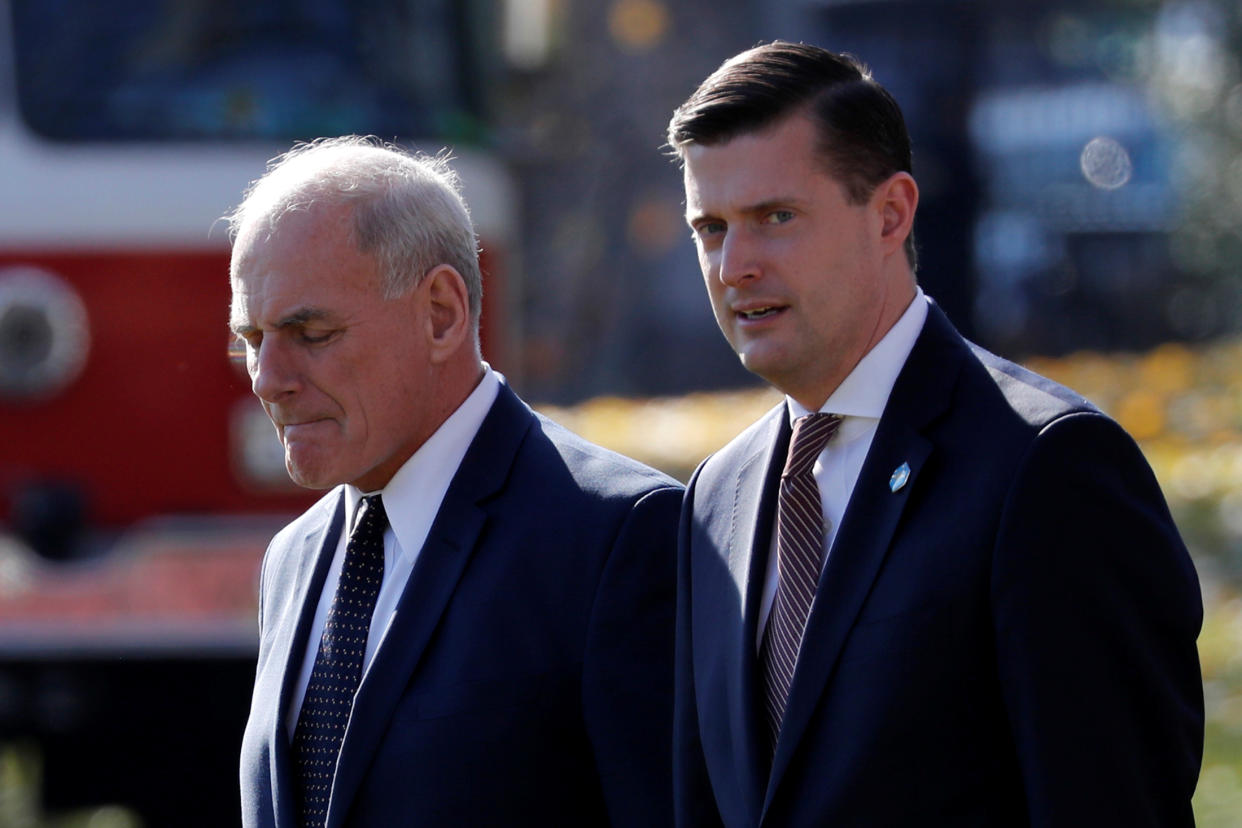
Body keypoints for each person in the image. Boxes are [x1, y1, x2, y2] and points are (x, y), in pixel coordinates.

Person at [667, 42, 1203, 826]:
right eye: (710, 228)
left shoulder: (1048, 467)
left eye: (775, 218)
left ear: (891, 215)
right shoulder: (716, 497)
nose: (735, 264)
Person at [229, 136, 681, 827]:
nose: (268, 381)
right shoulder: (293, 559)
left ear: (441, 312)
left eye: (310, 333)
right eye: (254, 339)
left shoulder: (617, 537)